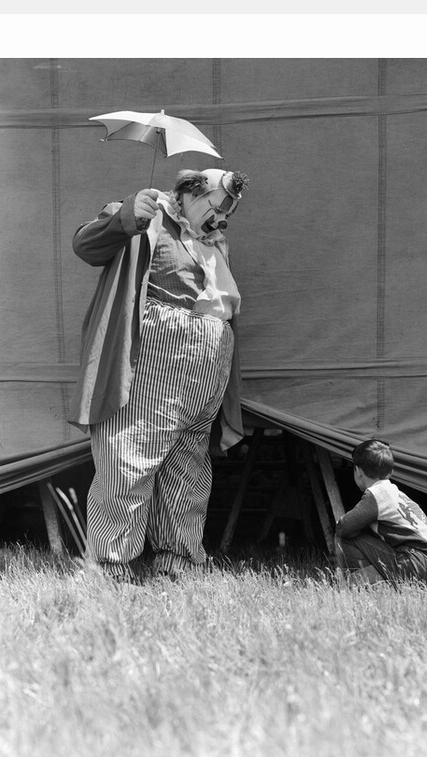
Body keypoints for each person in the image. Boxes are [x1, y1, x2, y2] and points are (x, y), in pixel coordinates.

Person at [67, 168, 250, 580]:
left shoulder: (215, 243)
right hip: (158, 353)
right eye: (216, 207)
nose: (220, 219)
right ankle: (111, 565)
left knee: (187, 460)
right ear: (188, 193)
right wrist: (126, 216)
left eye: (228, 213)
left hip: (207, 362)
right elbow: (85, 244)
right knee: (129, 452)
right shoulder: (147, 214)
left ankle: (177, 560)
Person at [334, 439, 427, 587]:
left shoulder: (377, 494)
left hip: (412, 562)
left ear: (358, 471)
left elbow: (343, 526)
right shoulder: (395, 493)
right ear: (391, 472)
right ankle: (387, 582)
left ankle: (365, 584)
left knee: (344, 535)